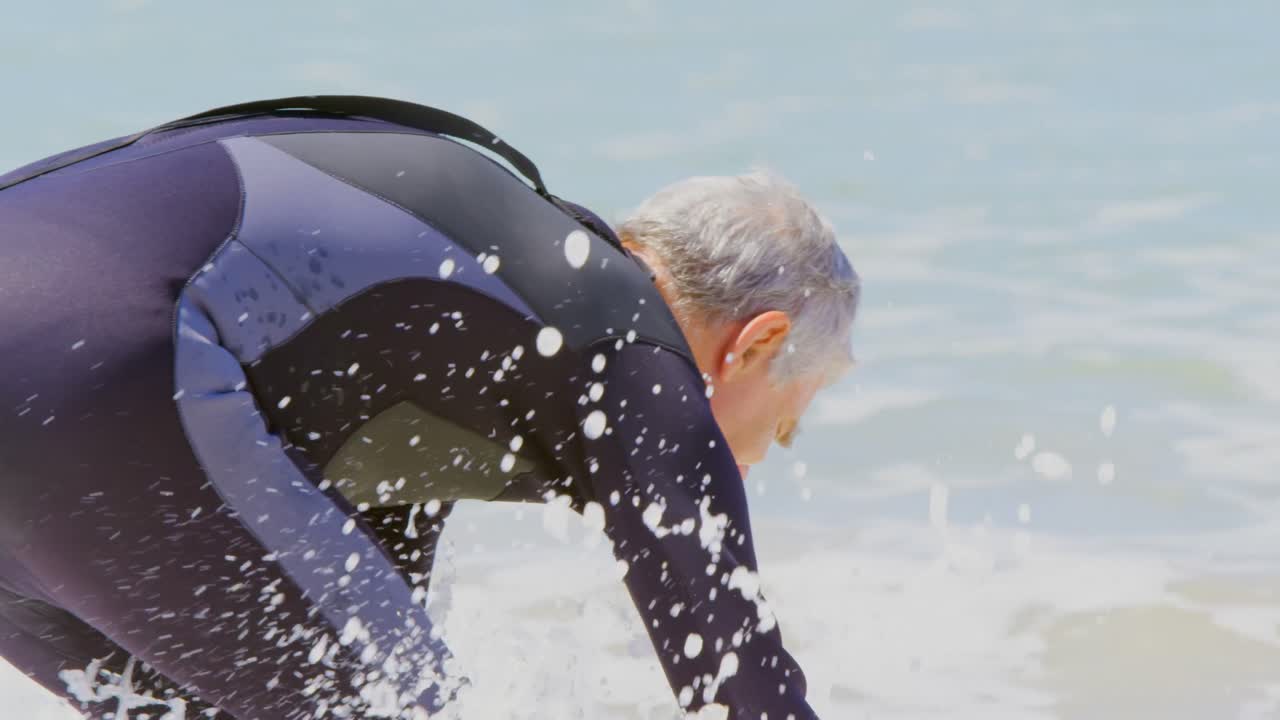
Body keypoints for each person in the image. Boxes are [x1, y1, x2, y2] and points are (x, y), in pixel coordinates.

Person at [0, 96, 859, 719]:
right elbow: (737, 682)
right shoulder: (622, 337)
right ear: (756, 343)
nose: (766, 452)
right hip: (98, 354)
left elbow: (352, 589)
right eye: (788, 419)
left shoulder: (485, 309)